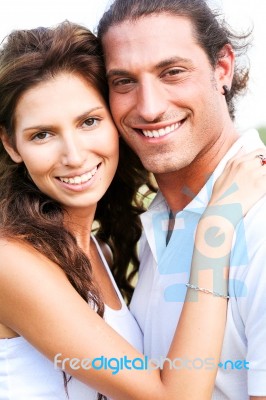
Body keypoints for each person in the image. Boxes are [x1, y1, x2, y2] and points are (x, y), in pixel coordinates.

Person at [0, 20, 265, 400]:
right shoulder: (12, 262)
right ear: (11, 145)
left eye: (89, 122)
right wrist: (216, 228)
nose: (73, 157)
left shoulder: (97, 251)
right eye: (42, 134)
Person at [97, 0, 266, 399]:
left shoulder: (258, 224)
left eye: (172, 72)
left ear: (222, 67)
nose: (150, 107)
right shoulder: (159, 221)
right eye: (123, 82)